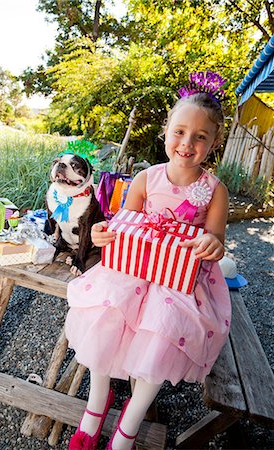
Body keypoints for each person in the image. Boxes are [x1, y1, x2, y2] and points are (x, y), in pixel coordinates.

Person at [65, 71, 231, 450]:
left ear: (213, 143)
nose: (187, 143)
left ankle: (130, 422)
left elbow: (217, 240)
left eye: (200, 136)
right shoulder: (145, 179)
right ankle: (96, 402)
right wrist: (101, 233)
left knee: (164, 328)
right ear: (166, 130)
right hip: (133, 269)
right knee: (104, 317)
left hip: (180, 280)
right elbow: (121, 226)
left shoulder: (214, 191)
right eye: (179, 131)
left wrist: (211, 242)